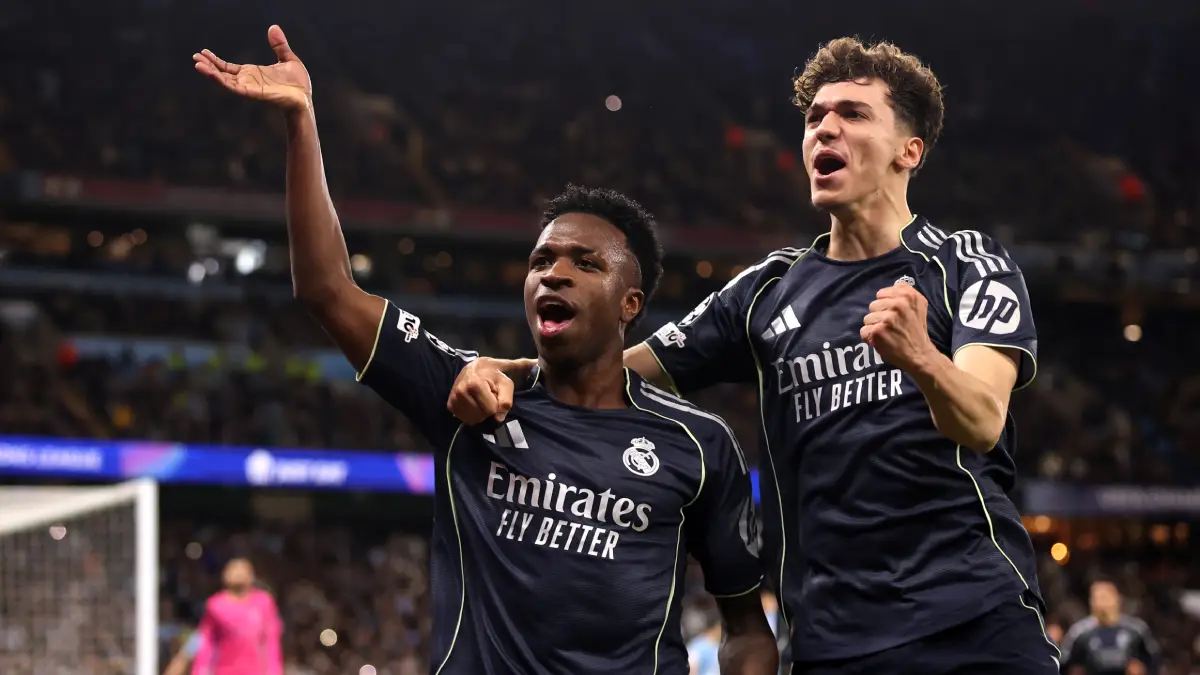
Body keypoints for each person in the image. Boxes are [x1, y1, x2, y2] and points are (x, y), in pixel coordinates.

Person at [447, 37, 1060, 674]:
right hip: (831, 644)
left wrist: (920, 357)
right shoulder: (767, 290)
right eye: (815, 117)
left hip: (973, 624)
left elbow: (982, 420)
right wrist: (508, 373)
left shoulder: (965, 264)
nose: (825, 129)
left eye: (853, 114)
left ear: (910, 150)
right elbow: (610, 373)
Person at [193, 26, 778, 675]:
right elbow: (327, 289)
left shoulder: (699, 444)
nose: (554, 274)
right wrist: (302, 121)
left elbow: (747, 630)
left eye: (585, 263)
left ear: (629, 304)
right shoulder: (465, 396)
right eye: (541, 261)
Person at [190, 558, 282, 675]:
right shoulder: (215, 605)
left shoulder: (264, 603)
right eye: (234, 570)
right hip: (224, 670)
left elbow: (271, 640)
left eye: (243, 570)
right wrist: (200, 670)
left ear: (251, 576)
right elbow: (206, 642)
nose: (238, 574)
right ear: (224, 576)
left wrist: (274, 671)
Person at [1059, 577, 1159, 675]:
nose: (1102, 603)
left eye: (1105, 597)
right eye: (1097, 598)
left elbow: (1153, 659)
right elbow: (1063, 663)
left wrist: (1142, 669)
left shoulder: (1136, 630)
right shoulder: (1079, 633)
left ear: (1117, 599)